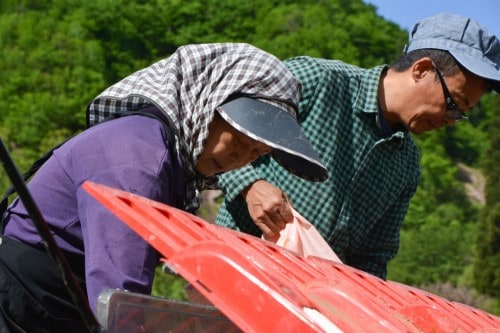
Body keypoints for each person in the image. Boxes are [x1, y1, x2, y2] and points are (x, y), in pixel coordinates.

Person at [0, 43, 327, 332]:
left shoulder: (172, 161)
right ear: (205, 105)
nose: (239, 158)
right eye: (239, 140)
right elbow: (118, 297)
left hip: (61, 298)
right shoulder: (139, 158)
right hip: (26, 297)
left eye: (257, 153)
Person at [216, 14, 500, 279]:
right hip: (232, 269)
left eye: (461, 114)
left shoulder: (406, 165)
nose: (451, 121)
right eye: (454, 105)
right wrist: (250, 185)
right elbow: (220, 129)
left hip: (303, 304)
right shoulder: (318, 81)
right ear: (422, 69)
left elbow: (373, 258)